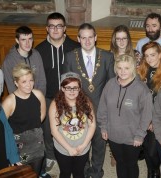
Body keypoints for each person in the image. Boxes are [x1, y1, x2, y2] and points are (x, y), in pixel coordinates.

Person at [64, 23, 115, 178]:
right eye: (83, 38)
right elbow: (67, 85)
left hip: (101, 108)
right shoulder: (70, 57)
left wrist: (108, 108)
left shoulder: (107, 56)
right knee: (81, 141)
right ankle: (84, 171)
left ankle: (97, 171)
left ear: (96, 38)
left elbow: (111, 84)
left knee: (99, 143)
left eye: (90, 37)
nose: (87, 41)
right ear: (78, 39)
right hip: (78, 108)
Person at [35, 12, 80, 171]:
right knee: (48, 129)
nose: (55, 29)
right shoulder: (39, 50)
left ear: (65, 28)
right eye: (52, 26)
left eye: (59, 26)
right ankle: (51, 156)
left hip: (71, 97)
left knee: (73, 126)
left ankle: (77, 154)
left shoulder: (74, 47)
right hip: (48, 97)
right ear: (47, 28)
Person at [97, 54, 153, 178]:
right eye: (120, 68)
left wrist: (140, 135)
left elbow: (147, 114)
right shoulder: (110, 84)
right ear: (116, 68)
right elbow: (103, 108)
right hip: (113, 134)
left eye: (126, 68)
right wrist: (104, 127)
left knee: (131, 164)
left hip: (133, 137)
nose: (122, 72)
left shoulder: (141, 89)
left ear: (133, 68)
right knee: (120, 163)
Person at [2, 63, 46, 176]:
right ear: (16, 83)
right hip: (18, 148)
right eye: (24, 81)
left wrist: (32, 133)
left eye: (31, 80)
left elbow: (41, 116)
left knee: (34, 174)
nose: (29, 85)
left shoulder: (38, 95)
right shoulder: (9, 102)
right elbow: (2, 128)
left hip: (36, 144)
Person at [49, 72, 96, 178]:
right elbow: (54, 131)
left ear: (79, 89)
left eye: (75, 88)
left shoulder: (87, 103)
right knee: (65, 173)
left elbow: (92, 125)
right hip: (63, 148)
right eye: (68, 87)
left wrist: (83, 145)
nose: (72, 91)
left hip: (82, 147)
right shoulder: (55, 105)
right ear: (62, 88)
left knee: (79, 174)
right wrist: (69, 148)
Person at [137, 41, 161, 178]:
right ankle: (151, 171)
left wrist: (153, 122)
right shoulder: (141, 71)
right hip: (142, 117)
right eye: (146, 56)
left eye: (152, 55)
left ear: (160, 55)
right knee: (146, 149)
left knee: (152, 152)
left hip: (157, 120)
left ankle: (155, 172)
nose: (149, 59)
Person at [2, 25, 46, 95]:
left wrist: (39, 97)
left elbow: (42, 81)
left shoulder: (36, 54)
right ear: (17, 40)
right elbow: (11, 87)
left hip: (37, 97)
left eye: (30, 39)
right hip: (20, 100)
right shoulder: (9, 61)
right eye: (23, 40)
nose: (27, 43)